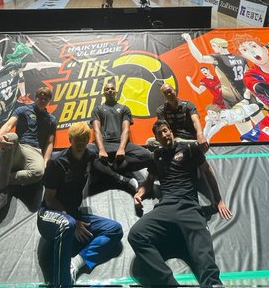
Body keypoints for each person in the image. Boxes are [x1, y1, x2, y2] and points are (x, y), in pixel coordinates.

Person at [128, 120, 232, 288]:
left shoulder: (189, 149)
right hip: (166, 207)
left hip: (188, 206)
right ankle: (169, 284)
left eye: (165, 131)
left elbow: (208, 172)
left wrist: (218, 199)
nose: (164, 135)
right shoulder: (157, 156)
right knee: (136, 234)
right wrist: (139, 193)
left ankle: (212, 284)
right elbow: (149, 181)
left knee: (202, 250)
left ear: (171, 131)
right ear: (156, 139)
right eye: (160, 134)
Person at [37, 122, 123, 287]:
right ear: (70, 139)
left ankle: (75, 263)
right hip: (50, 215)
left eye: (84, 138)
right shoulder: (57, 162)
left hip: (73, 214)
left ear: (88, 139)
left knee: (114, 229)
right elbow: (49, 199)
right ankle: (62, 283)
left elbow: (104, 170)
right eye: (77, 138)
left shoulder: (89, 156)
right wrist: (74, 222)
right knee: (67, 225)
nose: (81, 142)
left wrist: (125, 181)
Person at [0, 86, 57, 217]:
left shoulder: (51, 119)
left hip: (35, 151)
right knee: (10, 137)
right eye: (40, 97)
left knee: (38, 172)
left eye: (46, 98)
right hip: (18, 146)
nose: (42, 100)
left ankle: (0, 176)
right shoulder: (22, 110)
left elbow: (50, 142)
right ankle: (1, 196)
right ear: (36, 97)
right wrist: (1, 136)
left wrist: (45, 161)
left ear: (49, 100)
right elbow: (9, 125)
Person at [88, 82, 151, 194]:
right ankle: (122, 179)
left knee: (147, 156)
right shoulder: (97, 109)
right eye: (107, 89)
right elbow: (96, 130)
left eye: (112, 89)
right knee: (87, 153)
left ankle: (110, 169)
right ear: (103, 93)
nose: (110, 90)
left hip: (121, 143)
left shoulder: (124, 108)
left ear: (116, 92)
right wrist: (101, 149)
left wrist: (121, 148)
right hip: (104, 143)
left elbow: (126, 130)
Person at [154, 83, 207, 149]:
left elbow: (195, 121)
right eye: (165, 93)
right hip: (172, 139)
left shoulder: (188, 105)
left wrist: (200, 135)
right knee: (150, 142)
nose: (169, 94)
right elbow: (162, 128)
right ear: (163, 96)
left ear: (174, 91)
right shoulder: (161, 110)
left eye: (170, 91)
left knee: (204, 145)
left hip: (189, 139)